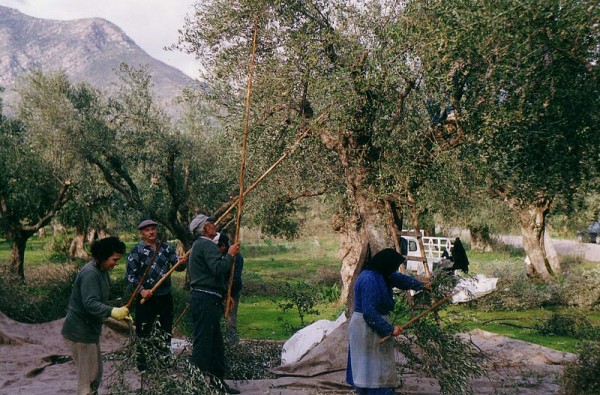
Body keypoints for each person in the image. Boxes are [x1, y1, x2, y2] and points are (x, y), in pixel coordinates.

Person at [346, 248, 424, 395]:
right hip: (365, 327)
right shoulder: (369, 278)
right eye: (393, 266)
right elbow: (369, 313)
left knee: (378, 363)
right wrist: (389, 329)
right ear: (386, 264)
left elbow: (400, 279)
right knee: (368, 365)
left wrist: (420, 286)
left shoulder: (382, 273)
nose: (394, 269)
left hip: (374, 322)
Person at [61, 236, 130, 395]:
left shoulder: (102, 271)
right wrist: (112, 311)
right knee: (88, 380)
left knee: (96, 375)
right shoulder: (90, 273)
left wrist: (118, 313)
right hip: (79, 333)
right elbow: (90, 303)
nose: (116, 263)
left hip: (89, 332)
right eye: (114, 259)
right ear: (103, 256)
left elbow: (101, 300)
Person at [188, 213, 241, 394]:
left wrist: (225, 295)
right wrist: (231, 255)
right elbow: (218, 269)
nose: (214, 224)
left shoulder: (199, 245)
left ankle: (218, 385)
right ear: (204, 228)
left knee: (215, 344)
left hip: (207, 298)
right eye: (210, 223)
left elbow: (210, 275)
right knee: (204, 343)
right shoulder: (206, 245)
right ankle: (195, 385)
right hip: (205, 300)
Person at [125, 219, 186, 371]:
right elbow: (130, 275)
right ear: (142, 233)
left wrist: (182, 262)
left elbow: (177, 267)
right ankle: (143, 365)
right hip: (146, 298)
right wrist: (141, 290)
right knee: (144, 330)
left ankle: (164, 362)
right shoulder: (136, 251)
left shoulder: (165, 248)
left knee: (165, 330)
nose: (151, 232)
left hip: (164, 296)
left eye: (153, 229)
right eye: (147, 230)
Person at [217, 233, 244, 344]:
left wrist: (229, 294)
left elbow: (236, 278)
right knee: (215, 320)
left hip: (232, 292)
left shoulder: (237, 258)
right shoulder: (218, 256)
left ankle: (233, 346)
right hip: (219, 292)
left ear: (223, 246)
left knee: (230, 322)